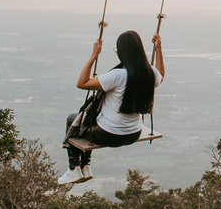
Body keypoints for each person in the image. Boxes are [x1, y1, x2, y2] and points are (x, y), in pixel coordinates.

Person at [59, 30, 165, 185]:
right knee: (94, 118)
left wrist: (94, 55)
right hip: (134, 133)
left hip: (110, 135)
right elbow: (160, 73)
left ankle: (73, 169)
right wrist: (159, 49)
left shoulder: (118, 75)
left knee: (73, 119)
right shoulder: (150, 74)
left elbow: (81, 83)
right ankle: (86, 167)